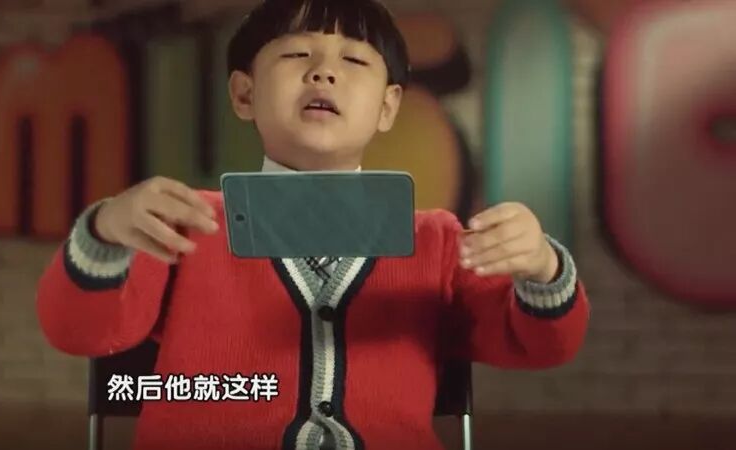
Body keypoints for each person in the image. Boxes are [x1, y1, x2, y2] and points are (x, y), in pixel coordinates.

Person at [36, 0, 590, 449]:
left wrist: (542, 268)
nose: (324, 70)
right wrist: (105, 234)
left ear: (388, 108)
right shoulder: (183, 224)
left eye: (355, 61)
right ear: (244, 94)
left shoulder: (439, 242)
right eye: (297, 53)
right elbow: (78, 331)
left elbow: (540, 346)